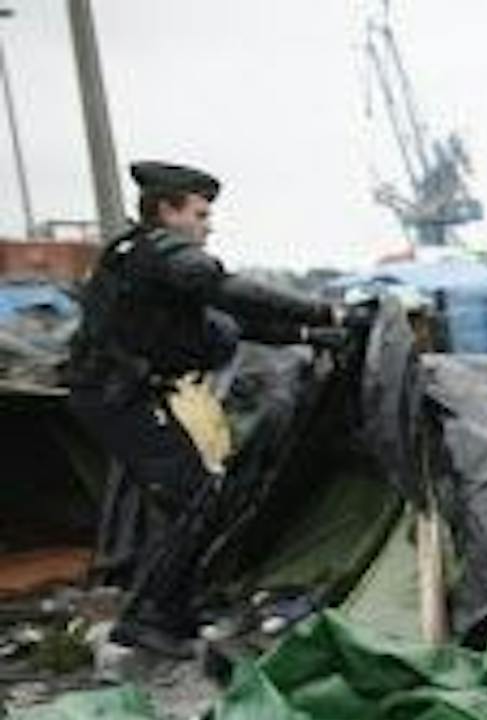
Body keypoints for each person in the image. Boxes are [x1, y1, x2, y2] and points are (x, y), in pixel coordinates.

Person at [64, 161, 349, 657]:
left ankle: (175, 609)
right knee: (193, 496)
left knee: (194, 498)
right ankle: (148, 618)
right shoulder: (157, 252)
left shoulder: (154, 267)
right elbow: (226, 290)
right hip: (116, 395)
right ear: (167, 211)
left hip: (126, 394)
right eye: (200, 213)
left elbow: (230, 322)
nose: (208, 225)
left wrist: (308, 333)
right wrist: (325, 310)